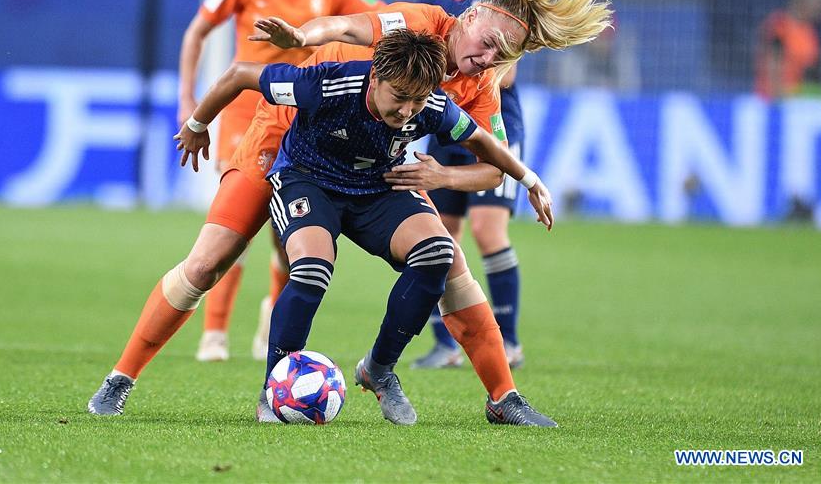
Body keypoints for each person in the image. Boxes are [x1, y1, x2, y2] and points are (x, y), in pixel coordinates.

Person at [86, 0, 610, 426]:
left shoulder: (479, 85)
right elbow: (347, 25)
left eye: (504, 56)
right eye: (489, 44)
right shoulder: (419, 23)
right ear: (470, 17)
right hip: (293, 134)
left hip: (373, 167)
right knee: (208, 262)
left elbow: (492, 165)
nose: (490, 59)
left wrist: (444, 176)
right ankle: (121, 377)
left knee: (447, 265)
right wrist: (301, 38)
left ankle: (499, 396)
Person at [174, 29, 556, 426]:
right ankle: (275, 390)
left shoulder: (434, 105)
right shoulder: (326, 84)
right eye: (399, 97)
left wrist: (530, 181)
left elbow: (484, 144)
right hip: (308, 180)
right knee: (311, 267)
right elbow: (239, 74)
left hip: (377, 188)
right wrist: (198, 123)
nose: (408, 110)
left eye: (418, 101)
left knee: (438, 252)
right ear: (375, 78)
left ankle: (379, 368)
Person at [177, 0, 381, 362]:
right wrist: (188, 98)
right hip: (245, 110)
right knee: (235, 222)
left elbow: (380, 20)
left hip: (301, 116)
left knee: (282, 228)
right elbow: (197, 31)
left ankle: (272, 315)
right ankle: (215, 333)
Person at [408, 0, 529, 370]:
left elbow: (507, 75)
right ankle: (446, 344)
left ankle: (510, 338)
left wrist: (469, 84)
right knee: (443, 233)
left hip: (492, 122)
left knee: (486, 228)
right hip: (442, 120)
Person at [754, 0, 821, 100]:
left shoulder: (811, 33)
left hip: (797, 97)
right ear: (802, 2)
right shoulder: (780, 24)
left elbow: (812, 71)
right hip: (773, 97)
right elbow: (773, 59)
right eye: (818, 3)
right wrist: (777, 94)